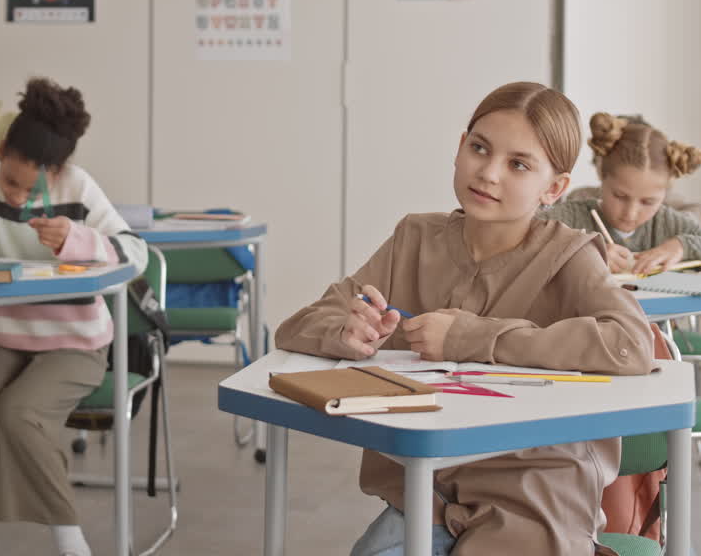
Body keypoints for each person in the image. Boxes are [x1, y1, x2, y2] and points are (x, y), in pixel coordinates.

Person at [276, 82, 653, 555]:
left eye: (518, 164)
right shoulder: (414, 238)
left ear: (554, 188)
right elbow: (299, 324)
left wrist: (473, 337)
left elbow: (630, 344)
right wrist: (345, 332)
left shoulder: (570, 255)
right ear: (459, 148)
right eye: (479, 148)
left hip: (535, 496)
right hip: (426, 491)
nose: (489, 173)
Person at [0, 78, 147, 556]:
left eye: (28, 187)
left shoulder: (78, 188)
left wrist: (79, 240)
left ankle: (70, 543)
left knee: (19, 414)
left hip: (77, 343)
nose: (16, 198)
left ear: (57, 172)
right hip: (8, 338)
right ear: (0, 151)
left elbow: (136, 253)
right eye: (9, 182)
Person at [540, 112, 701, 276]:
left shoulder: (667, 222)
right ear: (601, 174)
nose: (630, 213)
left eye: (648, 202)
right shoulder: (568, 218)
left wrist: (682, 246)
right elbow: (519, 248)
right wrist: (579, 256)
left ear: (665, 193)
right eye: (620, 196)